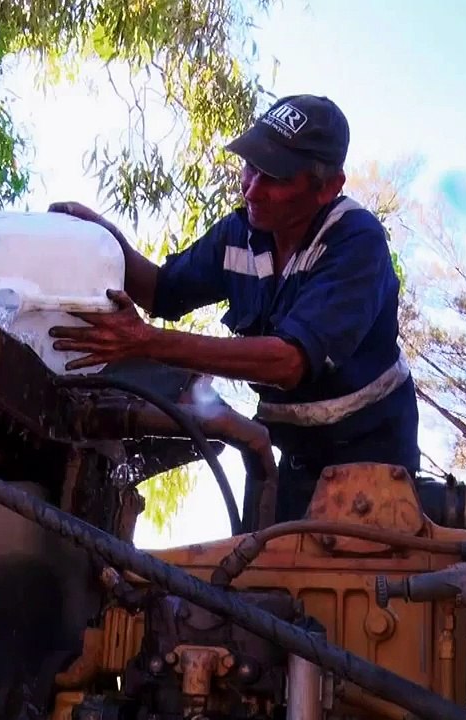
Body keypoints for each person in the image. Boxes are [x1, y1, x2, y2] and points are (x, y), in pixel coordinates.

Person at [48, 94, 419, 522]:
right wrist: (104, 237)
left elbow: (288, 362)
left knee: (344, 575)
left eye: (275, 177)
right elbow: (161, 293)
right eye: (251, 166)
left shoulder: (355, 242)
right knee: (258, 574)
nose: (252, 188)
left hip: (374, 461)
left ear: (327, 188)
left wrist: (143, 342)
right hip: (295, 458)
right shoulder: (239, 234)